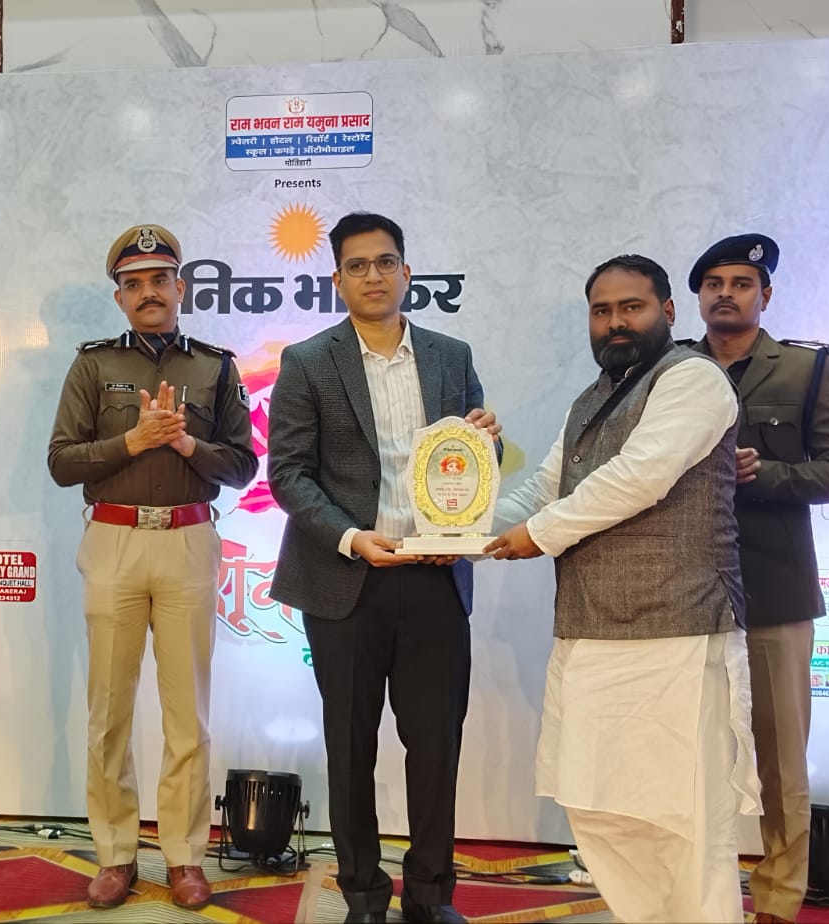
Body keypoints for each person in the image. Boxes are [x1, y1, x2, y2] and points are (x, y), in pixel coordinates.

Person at [485, 253, 759, 924]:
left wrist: (538, 535)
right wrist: (459, 531)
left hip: (676, 633)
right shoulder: (591, 399)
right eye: (601, 311)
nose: (615, 322)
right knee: (599, 808)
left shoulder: (693, 379)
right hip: (590, 631)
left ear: (667, 311)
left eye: (630, 307)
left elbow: (638, 476)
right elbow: (544, 487)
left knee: (682, 822)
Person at [268, 212, 500, 924]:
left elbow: (473, 461)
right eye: (358, 265)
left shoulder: (451, 356)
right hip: (346, 581)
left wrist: (489, 441)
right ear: (337, 279)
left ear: (407, 271)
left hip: (435, 578)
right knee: (349, 748)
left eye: (386, 262)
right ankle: (364, 896)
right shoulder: (308, 361)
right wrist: (349, 536)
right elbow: (288, 473)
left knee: (436, 747)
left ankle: (430, 895)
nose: (374, 275)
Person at [48, 224, 258, 910]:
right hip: (114, 540)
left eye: (160, 280)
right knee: (108, 711)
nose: (148, 293)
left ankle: (184, 856)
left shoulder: (215, 367)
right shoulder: (91, 366)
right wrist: (132, 441)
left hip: (189, 542)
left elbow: (244, 466)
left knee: (187, 714)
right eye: (134, 284)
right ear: (119, 297)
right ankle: (115, 854)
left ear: (181, 287)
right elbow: (61, 462)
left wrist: (190, 446)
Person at [682, 233, 829, 924]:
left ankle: (778, 902)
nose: (725, 294)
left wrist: (768, 475)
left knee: (781, 762)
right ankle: (695, 893)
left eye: (740, 283)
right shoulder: (672, 368)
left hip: (775, 590)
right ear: (698, 297)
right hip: (682, 592)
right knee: (686, 755)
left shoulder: (805, 369)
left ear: (766, 294)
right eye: (714, 284)